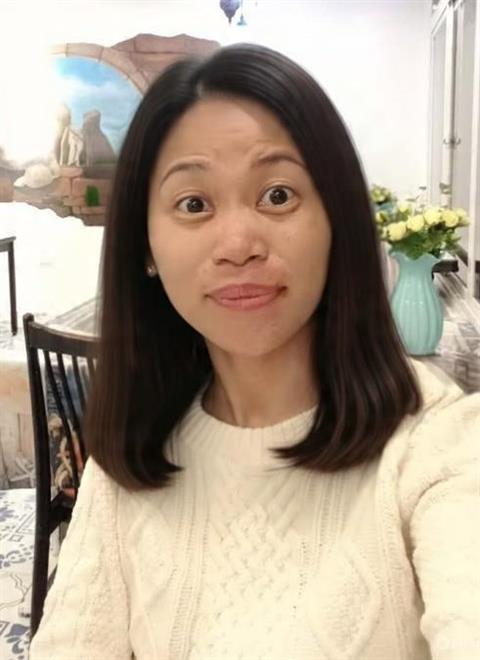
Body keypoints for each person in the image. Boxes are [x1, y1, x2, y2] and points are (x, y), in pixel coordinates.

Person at [29, 43, 479, 660]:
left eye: (278, 195)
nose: (239, 243)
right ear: (146, 248)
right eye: (193, 204)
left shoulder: (436, 446)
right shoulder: (130, 459)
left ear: (337, 220)